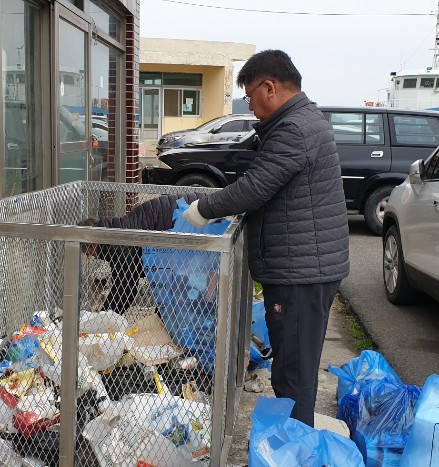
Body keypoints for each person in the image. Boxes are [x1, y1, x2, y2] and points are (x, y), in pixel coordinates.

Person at [182, 49, 350, 426]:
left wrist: (203, 210)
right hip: (305, 267)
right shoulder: (303, 122)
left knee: (293, 374)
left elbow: (256, 187)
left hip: (300, 274)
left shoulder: (295, 129)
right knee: (294, 368)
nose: (250, 105)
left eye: (249, 95)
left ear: (269, 87)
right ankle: (295, 441)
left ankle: (296, 446)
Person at [80, 192, 204, 315]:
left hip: (200, 217)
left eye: (88, 253)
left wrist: (102, 318)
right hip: (197, 212)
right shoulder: (119, 230)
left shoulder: (118, 243)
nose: (89, 256)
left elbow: (125, 290)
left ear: (93, 242)